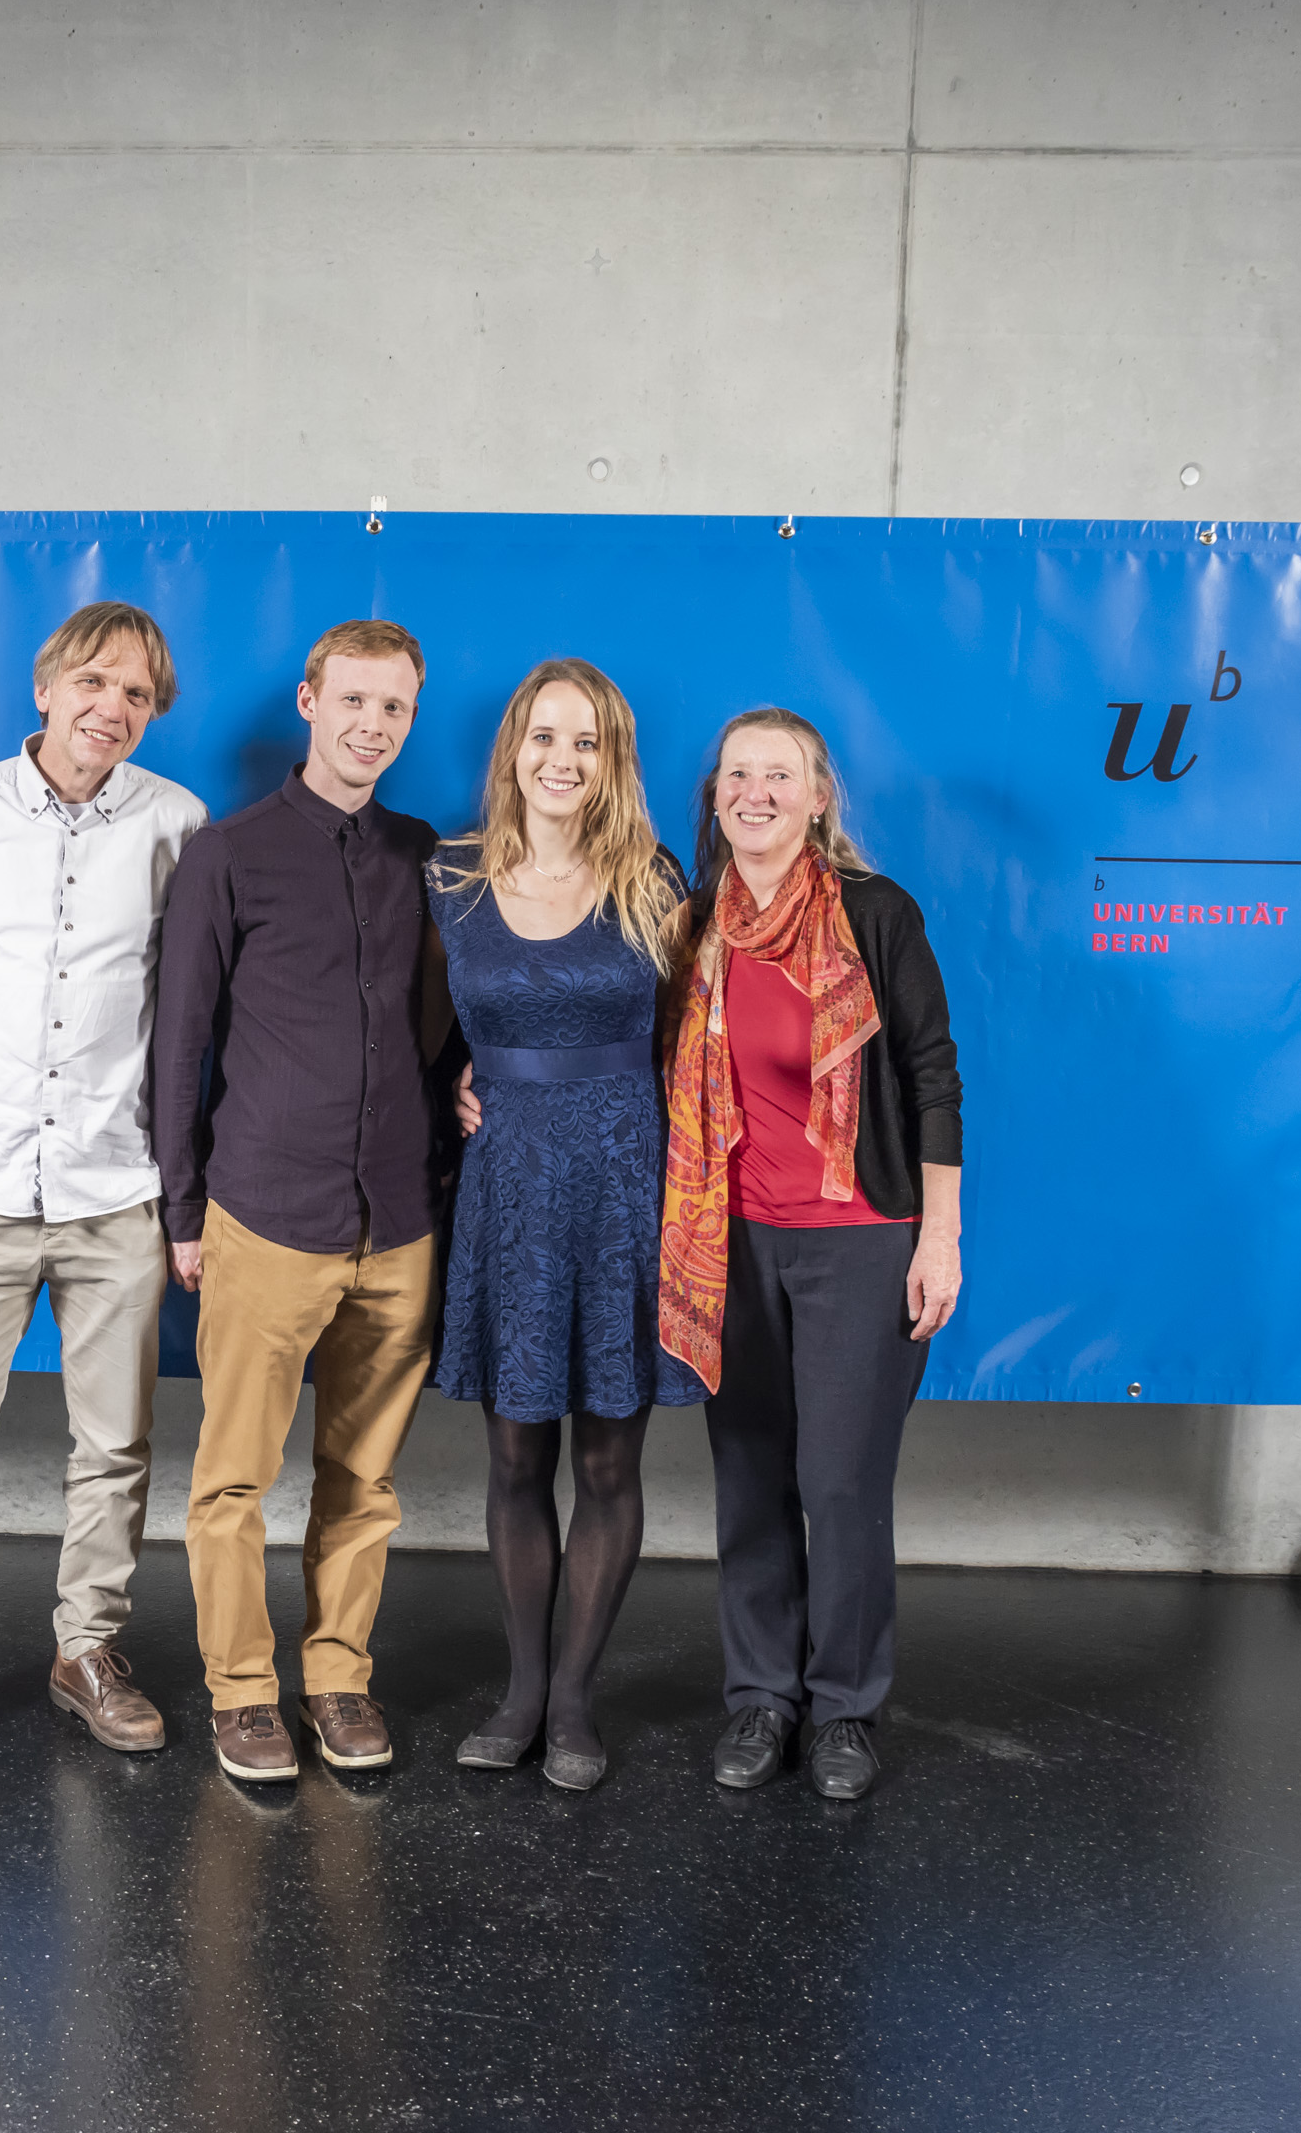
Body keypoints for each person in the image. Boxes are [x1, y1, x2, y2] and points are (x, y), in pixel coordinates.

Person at [0, 601, 209, 1779]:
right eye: (93, 683)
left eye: (136, 695)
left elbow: (184, 1011)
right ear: (45, 687)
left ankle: (86, 1651)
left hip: (111, 1192)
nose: (110, 709)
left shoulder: (175, 824)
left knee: (114, 1446)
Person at [155, 617, 445, 1783]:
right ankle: (239, 1692)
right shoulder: (227, 855)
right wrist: (182, 1213)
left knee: (363, 1481)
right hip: (265, 1212)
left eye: (394, 708)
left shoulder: (425, 857)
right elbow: (179, 1048)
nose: (372, 726)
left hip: (400, 1223)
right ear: (309, 702)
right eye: (354, 701)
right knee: (233, 1478)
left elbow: (449, 1024)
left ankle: (337, 1678)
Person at [658, 707, 963, 1802]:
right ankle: (759, 1698)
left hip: (859, 1243)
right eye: (736, 773)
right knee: (747, 1480)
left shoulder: (876, 915)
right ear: (715, 795)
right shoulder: (691, 926)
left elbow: (932, 1075)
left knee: (838, 1486)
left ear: (818, 797)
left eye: (779, 774)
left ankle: (841, 1711)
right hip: (728, 1242)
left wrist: (939, 1237)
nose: (756, 792)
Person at [427, 659, 697, 1793]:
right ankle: (522, 1689)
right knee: (513, 1452)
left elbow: (690, 1042)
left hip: (623, 1190)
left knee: (605, 1457)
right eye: (544, 736)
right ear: (513, 750)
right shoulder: (448, 879)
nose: (562, 759)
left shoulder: (653, 881)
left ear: (611, 760)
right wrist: (453, 1084)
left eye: (586, 741)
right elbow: (417, 1030)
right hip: (507, 1191)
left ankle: (575, 1700)